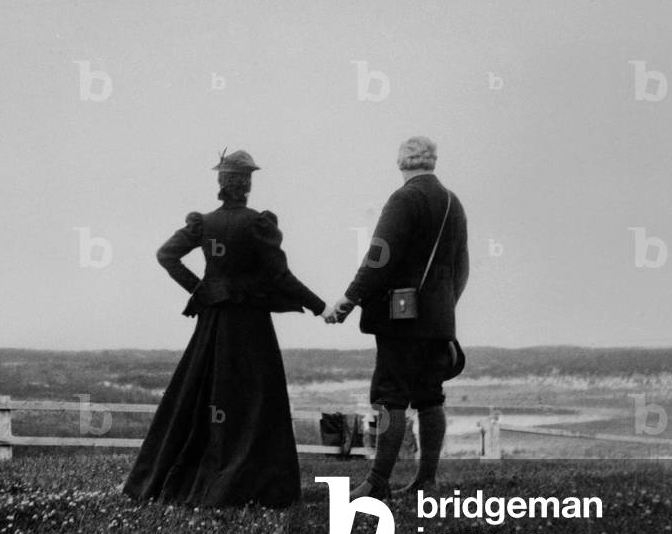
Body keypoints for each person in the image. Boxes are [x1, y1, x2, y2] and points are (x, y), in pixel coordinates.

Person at [123, 149, 328, 508]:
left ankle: (185, 478)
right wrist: (321, 306)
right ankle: (253, 483)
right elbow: (280, 276)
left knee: (201, 398)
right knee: (254, 400)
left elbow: (166, 255)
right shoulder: (258, 224)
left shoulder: (204, 223)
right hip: (250, 327)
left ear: (221, 183)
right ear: (247, 184)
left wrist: (203, 290)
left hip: (214, 325)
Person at [325, 136, 469, 500]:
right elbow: (462, 267)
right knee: (430, 397)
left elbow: (379, 257)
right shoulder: (454, 203)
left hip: (402, 318)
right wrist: (444, 306)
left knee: (390, 397)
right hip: (440, 320)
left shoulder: (404, 198)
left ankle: (376, 483)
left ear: (402, 163)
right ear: (432, 162)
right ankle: (427, 480)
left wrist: (349, 297)